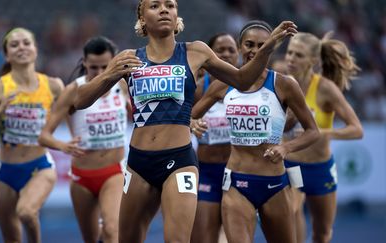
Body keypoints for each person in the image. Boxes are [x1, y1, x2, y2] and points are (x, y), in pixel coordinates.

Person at [74, 1, 297, 241]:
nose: (164, 9)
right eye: (155, 6)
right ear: (141, 17)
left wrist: (268, 47)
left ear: (176, 14)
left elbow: (242, 80)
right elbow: (80, 101)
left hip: (179, 160)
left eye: (170, 5)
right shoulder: (129, 58)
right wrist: (109, 74)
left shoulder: (195, 52)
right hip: (139, 163)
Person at [191, 20, 320, 243]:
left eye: (262, 45)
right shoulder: (222, 85)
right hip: (236, 182)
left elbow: (313, 131)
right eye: (249, 44)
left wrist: (285, 147)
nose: (254, 50)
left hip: (274, 184)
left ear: (271, 46)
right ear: (241, 47)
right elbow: (191, 114)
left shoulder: (285, 84)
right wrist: (193, 123)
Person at [0, 27, 64, 243]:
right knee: (12, 239)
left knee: (27, 212)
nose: (21, 48)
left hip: (39, 167)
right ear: (7, 55)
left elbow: (74, 111)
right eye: (14, 45)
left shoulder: (53, 86)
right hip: (4, 172)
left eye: (27, 43)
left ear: (35, 49)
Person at [38, 36, 129, 243]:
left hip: (114, 171)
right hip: (82, 177)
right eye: (93, 67)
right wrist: (62, 145)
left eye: (105, 67)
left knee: (111, 228)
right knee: (91, 238)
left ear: (114, 62)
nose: (99, 73)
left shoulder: (122, 86)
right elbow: (43, 135)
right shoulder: (73, 91)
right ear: (85, 63)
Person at [283, 32, 363, 243]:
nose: (291, 58)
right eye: (289, 52)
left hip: (320, 169)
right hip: (292, 165)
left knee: (323, 232)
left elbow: (356, 129)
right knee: (291, 212)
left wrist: (322, 133)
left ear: (313, 60)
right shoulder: (280, 82)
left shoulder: (326, 89)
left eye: (298, 55)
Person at [190, 33, 238, 243]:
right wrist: (191, 124)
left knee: (232, 237)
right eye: (220, 50)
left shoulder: (248, 87)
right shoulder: (198, 88)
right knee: (204, 237)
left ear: (238, 54)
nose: (226, 54)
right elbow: (179, 120)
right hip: (207, 171)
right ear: (210, 54)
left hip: (237, 171)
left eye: (231, 49)